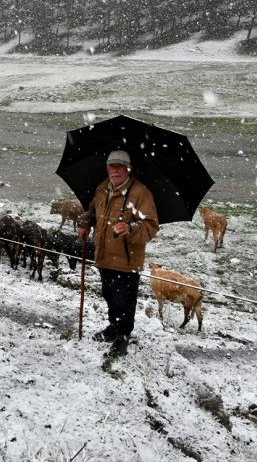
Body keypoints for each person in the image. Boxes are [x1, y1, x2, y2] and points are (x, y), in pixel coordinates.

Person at [77, 150, 159, 358]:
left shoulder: (141, 193)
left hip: (126, 260)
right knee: (109, 295)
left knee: (125, 301)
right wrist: (85, 222)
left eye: (120, 166)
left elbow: (151, 225)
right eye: (112, 166)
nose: (115, 170)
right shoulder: (102, 188)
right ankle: (113, 326)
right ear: (107, 168)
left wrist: (131, 228)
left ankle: (122, 336)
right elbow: (92, 211)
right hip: (103, 256)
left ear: (128, 169)